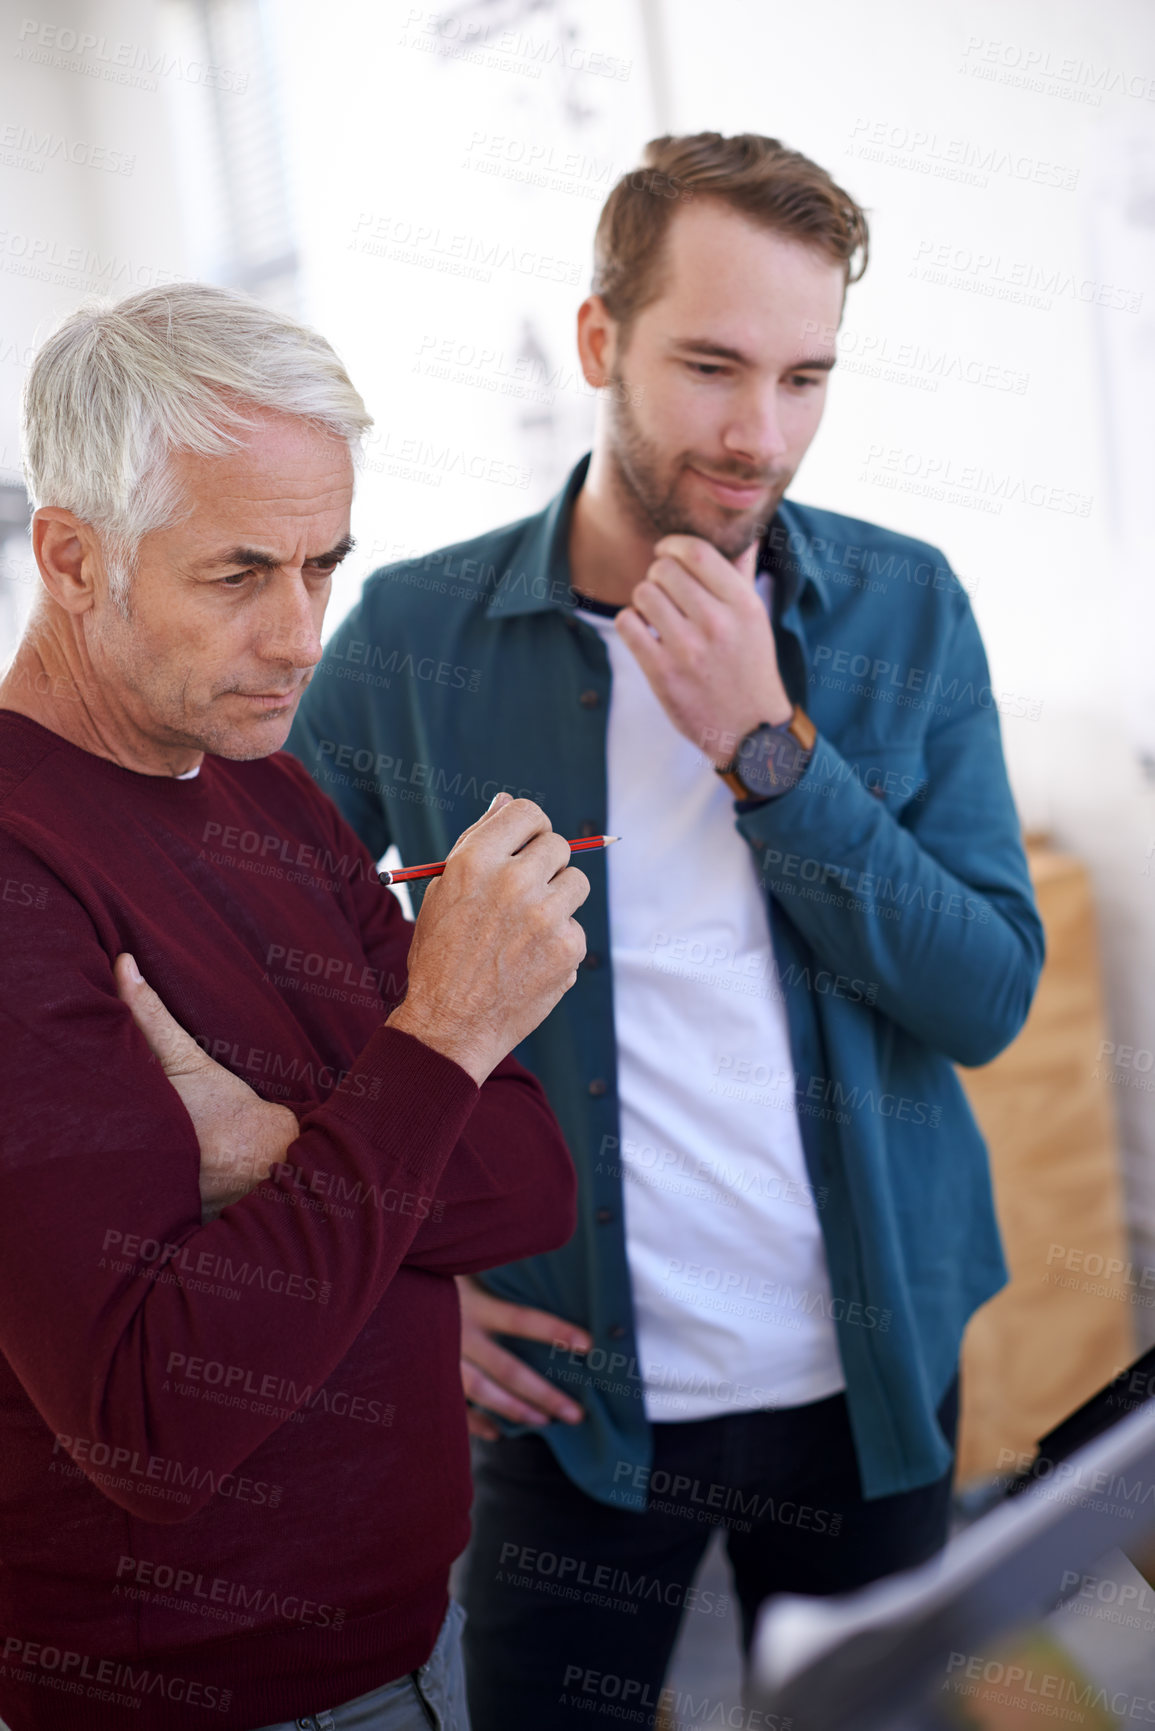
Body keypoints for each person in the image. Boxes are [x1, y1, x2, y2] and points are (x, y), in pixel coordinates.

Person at [287, 132, 1046, 1727]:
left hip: (874, 1388)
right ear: (598, 343)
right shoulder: (418, 636)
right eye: (710, 365)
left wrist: (770, 752)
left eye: (803, 377)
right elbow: (252, 968)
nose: (757, 434)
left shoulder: (908, 611)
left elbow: (988, 995)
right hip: (568, 1410)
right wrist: (395, 1287)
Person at [0, 283, 589, 1731]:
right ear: (72, 557)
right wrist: (441, 1035)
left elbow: (526, 1185)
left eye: (324, 566)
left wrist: (276, 1154)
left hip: (408, 1643)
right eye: (239, 574)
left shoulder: (263, 779)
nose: (300, 635)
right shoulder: (20, 868)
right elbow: (154, 1422)